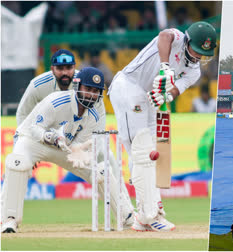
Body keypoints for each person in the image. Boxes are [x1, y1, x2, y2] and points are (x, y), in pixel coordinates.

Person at [108, 21, 217, 232]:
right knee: (141, 152)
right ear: (187, 41)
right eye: (196, 50)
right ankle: (149, 215)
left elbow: (175, 92)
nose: (198, 56)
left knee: (151, 154)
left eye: (204, 53)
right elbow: (164, 35)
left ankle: (147, 213)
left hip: (148, 99)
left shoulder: (194, 72)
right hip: (128, 87)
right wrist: (165, 66)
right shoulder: (175, 38)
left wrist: (166, 94)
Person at [1, 68, 134, 233]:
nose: (92, 95)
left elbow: (84, 144)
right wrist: (48, 137)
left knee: (100, 171)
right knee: (17, 163)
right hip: (33, 141)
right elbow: (34, 128)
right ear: (78, 87)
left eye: (96, 91)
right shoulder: (56, 101)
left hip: (64, 147)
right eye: (88, 89)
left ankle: (127, 217)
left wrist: (79, 151)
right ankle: (9, 220)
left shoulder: (94, 115)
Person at [16, 49, 79, 125]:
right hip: (45, 129)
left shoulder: (83, 81)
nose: (64, 72)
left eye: (69, 68)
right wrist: (24, 135)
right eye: (60, 68)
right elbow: (23, 113)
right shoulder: (38, 84)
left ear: (74, 67)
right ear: (52, 69)